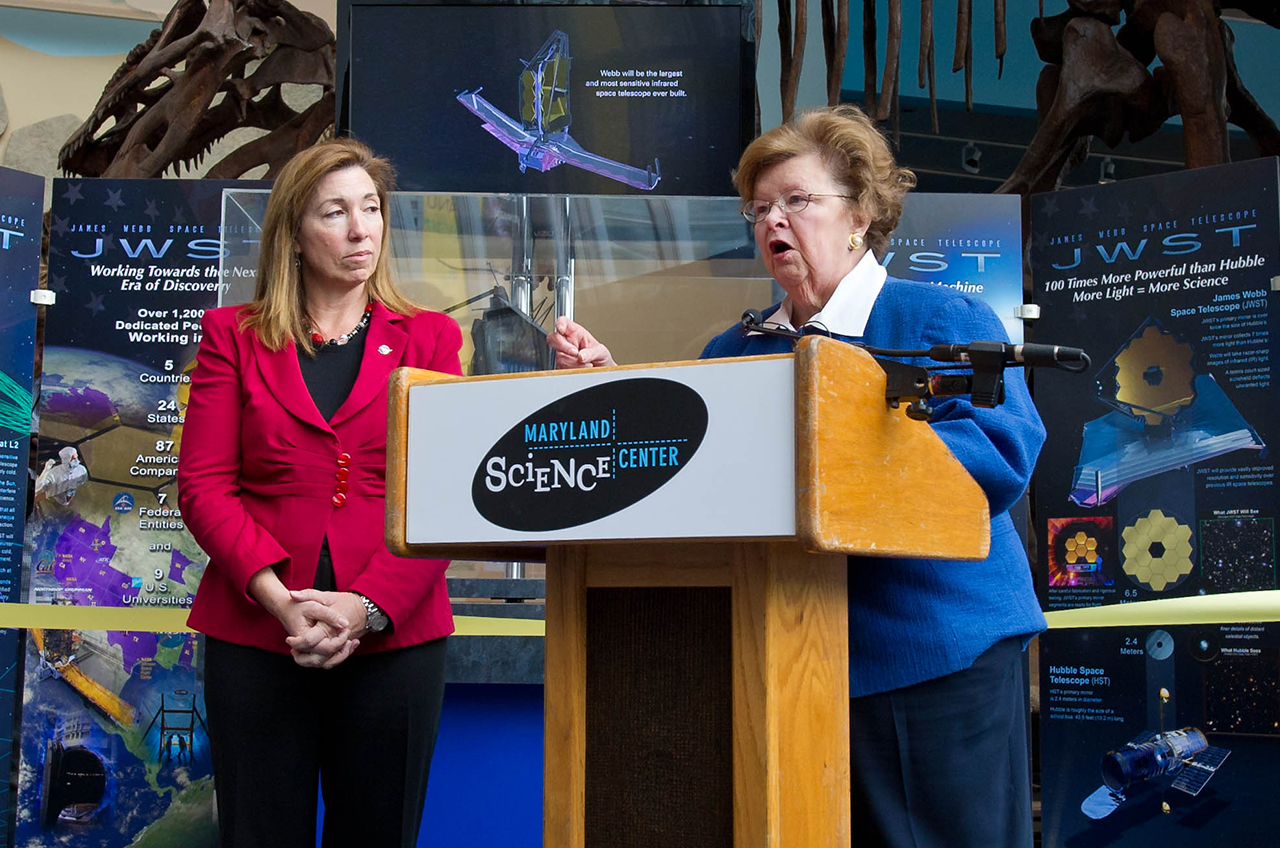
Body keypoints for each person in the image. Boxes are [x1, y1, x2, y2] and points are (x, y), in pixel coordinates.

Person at [547, 104, 1046, 848]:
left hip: (932, 656)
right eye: (760, 207)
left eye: (797, 200)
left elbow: (1000, 461)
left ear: (862, 214)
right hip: (783, 659)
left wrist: (843, 437)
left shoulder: (938, 318)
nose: (772, 219)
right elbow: (697, 470)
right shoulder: (736, 347)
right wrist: (619, 394)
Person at [177, 138, 463, 848]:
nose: (361, 229)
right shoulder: (231, 337)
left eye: (371, 208)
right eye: (335, 212)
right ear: (295, 234)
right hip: (257, 633)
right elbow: (205, 485)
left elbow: (444, 492)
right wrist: (281, 600)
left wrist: (366, 610)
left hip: (395, 636)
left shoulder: (432, 339)